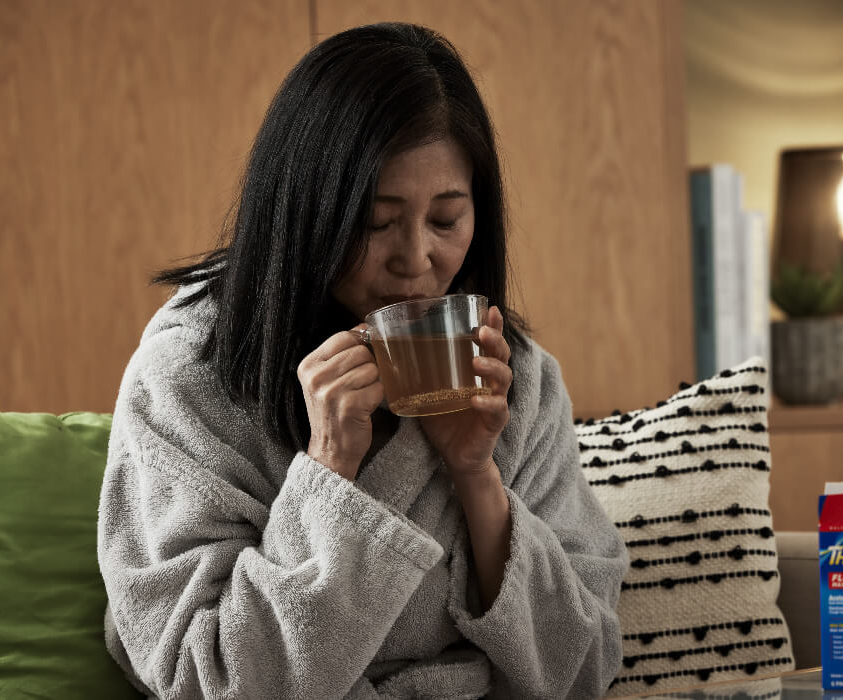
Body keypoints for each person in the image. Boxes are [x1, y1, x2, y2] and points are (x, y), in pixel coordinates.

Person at [97, 21, 628, 700]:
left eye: (446, 220)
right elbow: (204, 680)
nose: (416, 259)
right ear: (304, 211)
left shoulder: (515, 380)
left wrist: (477, 477)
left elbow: (584, 670)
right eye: (376, 222)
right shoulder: (190, 375)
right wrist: (327, 471)